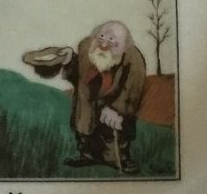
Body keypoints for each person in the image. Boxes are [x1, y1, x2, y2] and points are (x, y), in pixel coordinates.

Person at [23, 21, 146, 174]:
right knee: (85, 128)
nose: (104, 44)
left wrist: (117, 109)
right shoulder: (87, 49)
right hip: (89, 101)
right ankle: (87, 155)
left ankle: (121, 158)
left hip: (113, 102)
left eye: (111, 40)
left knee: (113, 136)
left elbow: (132, 90)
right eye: (101, 37)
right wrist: (69, 61)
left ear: (124, 45)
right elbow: (79, 76)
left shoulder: (134, 60)